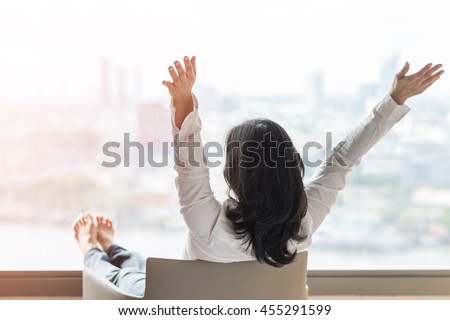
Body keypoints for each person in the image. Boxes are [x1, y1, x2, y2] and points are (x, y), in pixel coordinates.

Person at [74, 57, 444, 295]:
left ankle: (94, 246)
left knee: (128, 277)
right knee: (139, 264)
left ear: (234, 174)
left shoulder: (206, 222)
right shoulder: (305, 222)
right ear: (290, 168)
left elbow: (189, 165)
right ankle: (114, 248)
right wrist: (393, 100)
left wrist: (183, 101)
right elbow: (343, 159)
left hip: (179, 306)